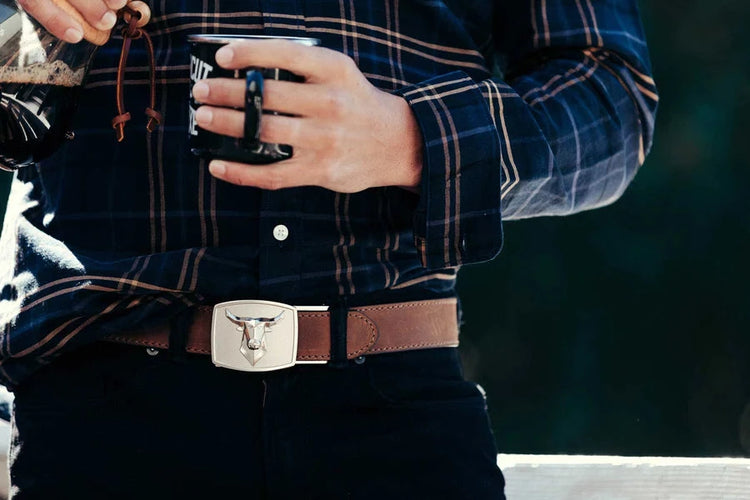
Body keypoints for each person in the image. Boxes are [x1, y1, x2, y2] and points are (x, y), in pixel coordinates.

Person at [0, 0, 657, 498]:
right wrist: (22, 19)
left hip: (398, 413)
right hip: (95, 400)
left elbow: (613, 99)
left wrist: (410, 140)